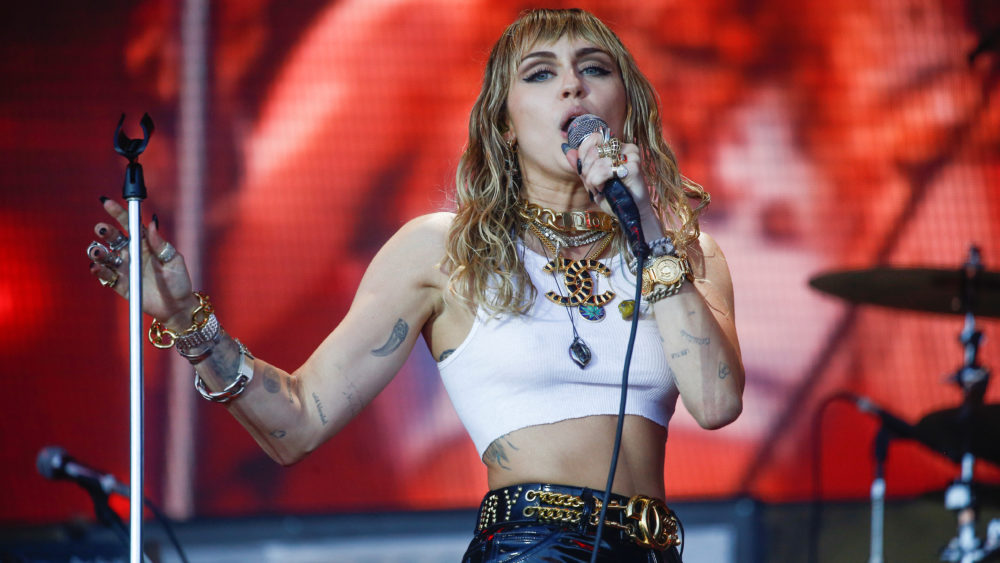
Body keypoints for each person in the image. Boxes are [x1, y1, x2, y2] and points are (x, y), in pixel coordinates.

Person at [87, 8, 743, 562]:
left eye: (594, 69)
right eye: (541, 74)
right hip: (532, 545)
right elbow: (296, 422)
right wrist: (189, 320)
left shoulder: (688, 254)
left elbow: (715, 401)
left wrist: (650, 231)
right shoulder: (443, 250)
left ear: (623, 103)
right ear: (506, 122)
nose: (572, 86)